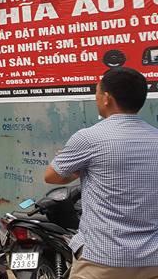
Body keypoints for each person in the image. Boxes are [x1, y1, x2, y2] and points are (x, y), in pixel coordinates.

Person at [45, 67, 158, 278]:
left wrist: (80, 171)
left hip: (103, 259)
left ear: (106, 98)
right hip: (153, 259)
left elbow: (52, 176)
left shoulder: (89, 138)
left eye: (96, 92)